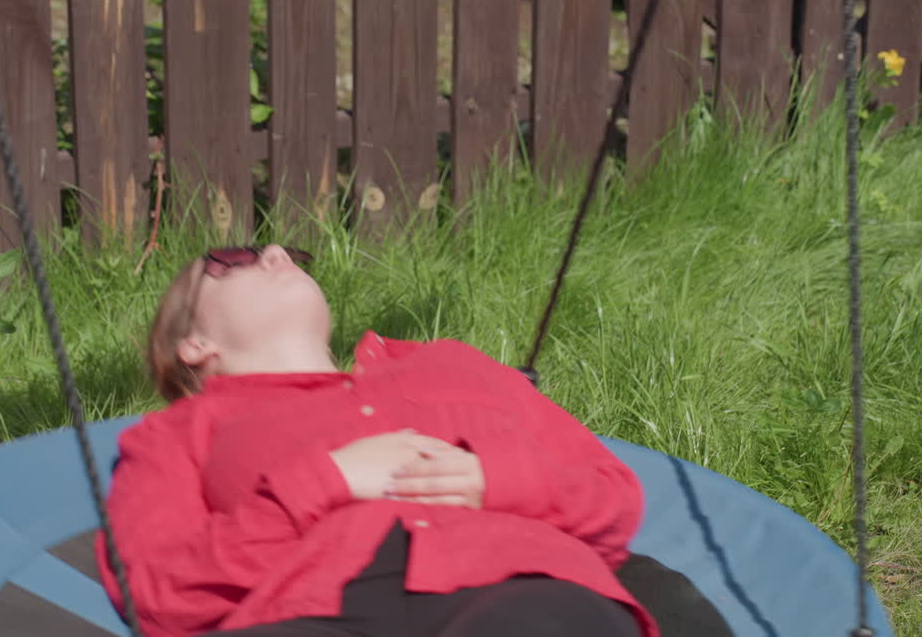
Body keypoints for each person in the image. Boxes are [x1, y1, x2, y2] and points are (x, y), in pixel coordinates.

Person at [96, 245, 657, 637]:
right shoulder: (174, 434)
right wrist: (323, 482)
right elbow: (154, 593)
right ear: (192, 342)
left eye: (288, 252)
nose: (276, 252)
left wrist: (496, 481)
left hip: (521, 583)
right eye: (233, 259)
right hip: (309, 606)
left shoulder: (456, 365)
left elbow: (614, 500)